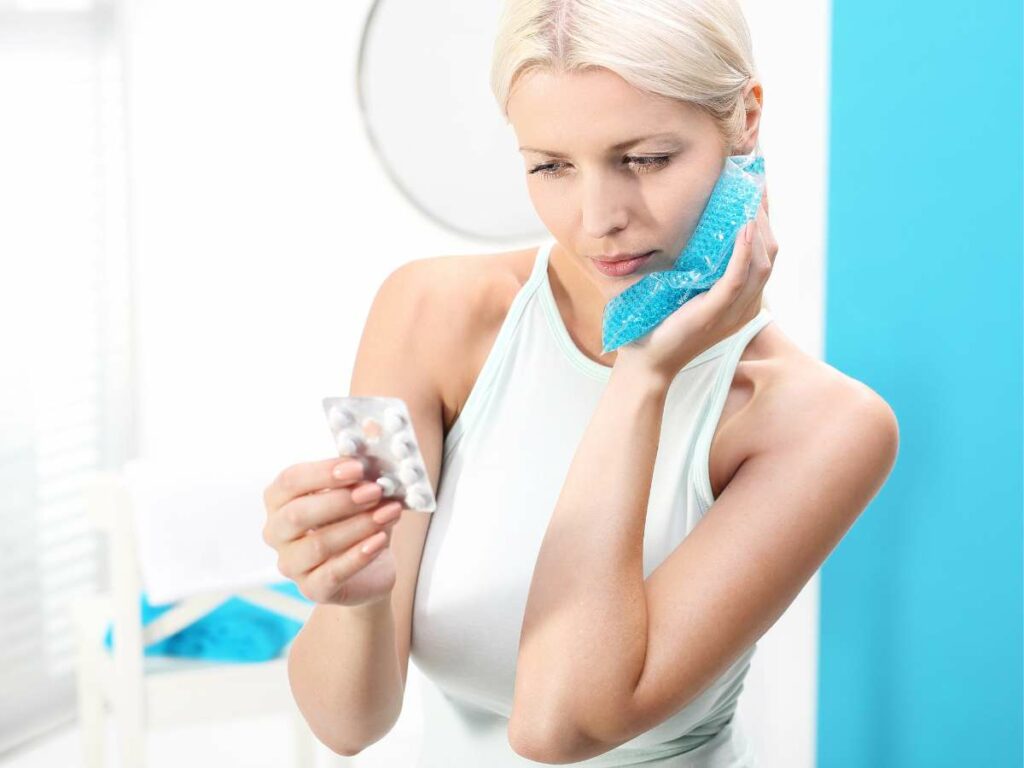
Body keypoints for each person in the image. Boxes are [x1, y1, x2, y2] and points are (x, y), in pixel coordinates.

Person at [262, 1, 900, 765]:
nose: (599, 218)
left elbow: (557, 726)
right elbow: (346, 725)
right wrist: (356, 601)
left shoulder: (823, 425)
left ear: (746, 120)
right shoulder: (429, 316)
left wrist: (642, 374)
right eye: (551, 166)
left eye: (646, 159)